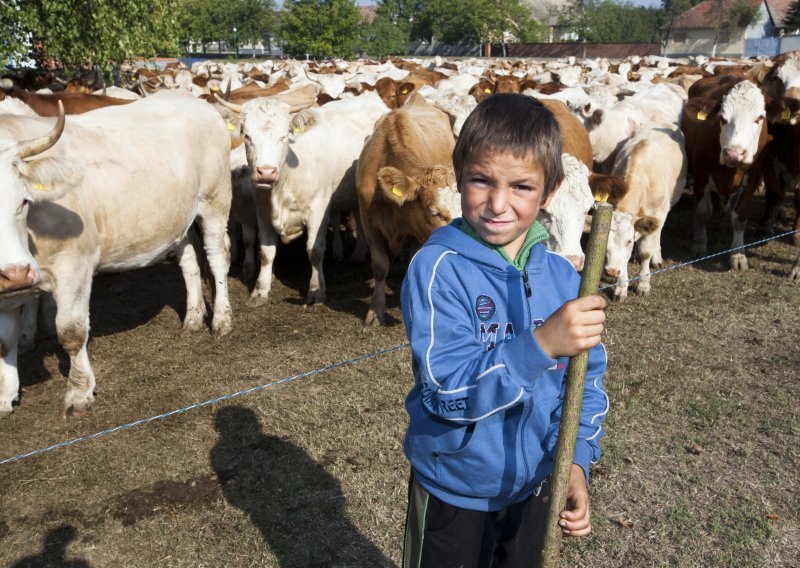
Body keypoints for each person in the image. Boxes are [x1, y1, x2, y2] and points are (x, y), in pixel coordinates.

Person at [400, 93, 609, 568]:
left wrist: (573, 461)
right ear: (459, 178)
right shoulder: (437, 269)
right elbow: (444, 393)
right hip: (454, 486)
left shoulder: (563, 277)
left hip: (535, 484)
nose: (498, 204)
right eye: (481, 181)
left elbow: (586, 381)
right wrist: (538, 345)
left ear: (550, 191)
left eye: (521, 187)